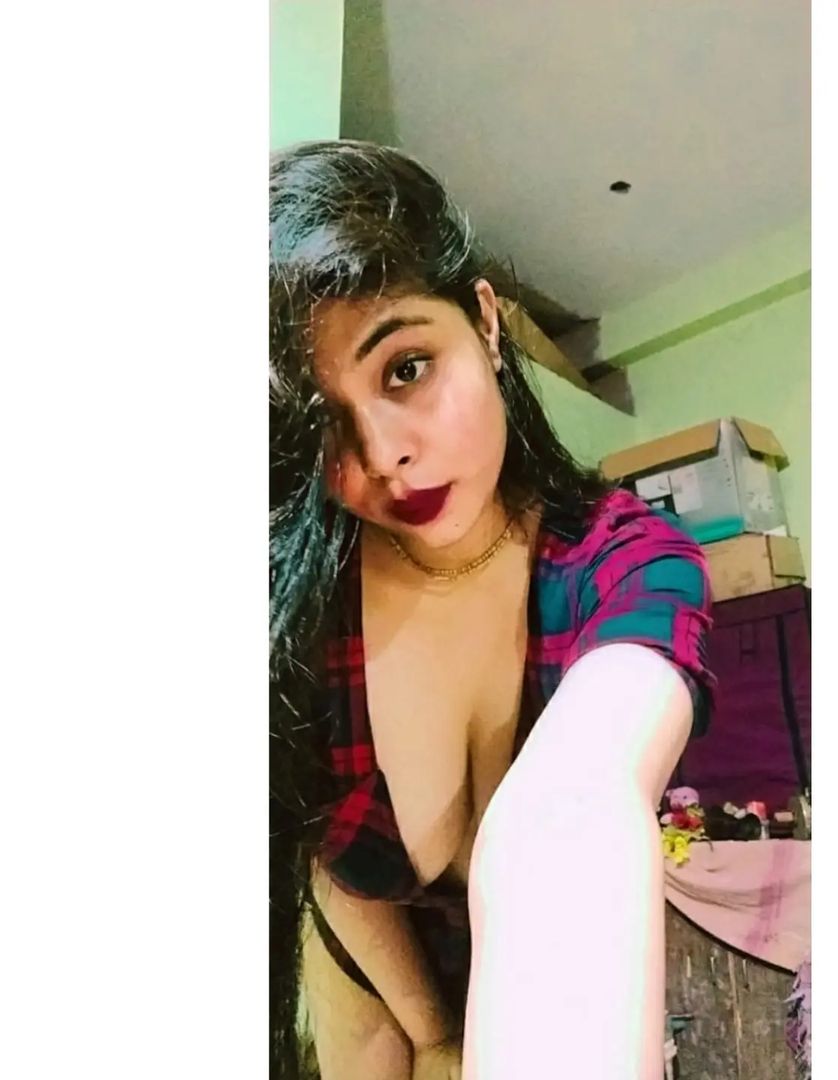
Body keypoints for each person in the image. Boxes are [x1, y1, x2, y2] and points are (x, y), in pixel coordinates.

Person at [269, 140, 717, 1080]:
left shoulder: (626, 563)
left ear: (484, 321)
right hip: (368, 980)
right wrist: (434, 1034)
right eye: (326, 422)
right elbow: (327, 868)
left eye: (405, 369)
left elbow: (573, 805)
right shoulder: (306, 605)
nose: (383, 455)